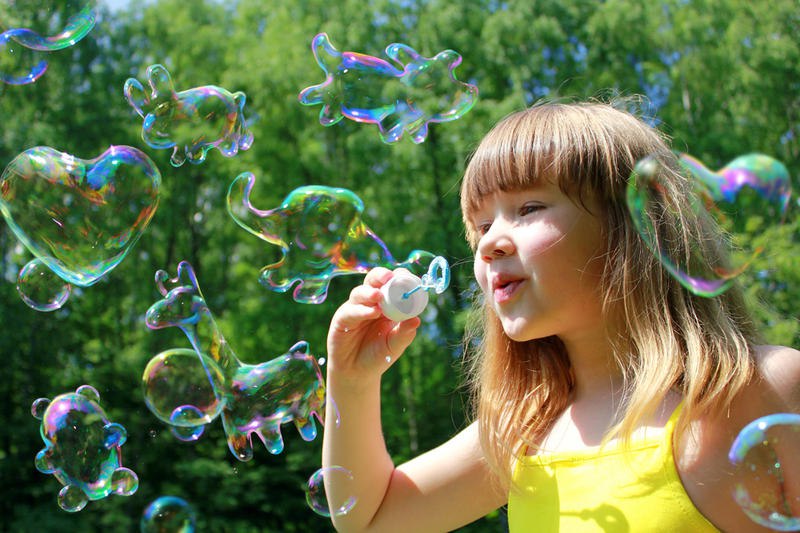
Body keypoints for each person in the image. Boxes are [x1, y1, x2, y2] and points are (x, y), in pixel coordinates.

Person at [322, 101, 800, 532]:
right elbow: (370, 519)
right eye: (482, 225)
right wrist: (353, 381)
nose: (489, 243)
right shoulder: (521, 431)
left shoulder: (759, 387)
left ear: (634, 227)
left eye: (528, 208)